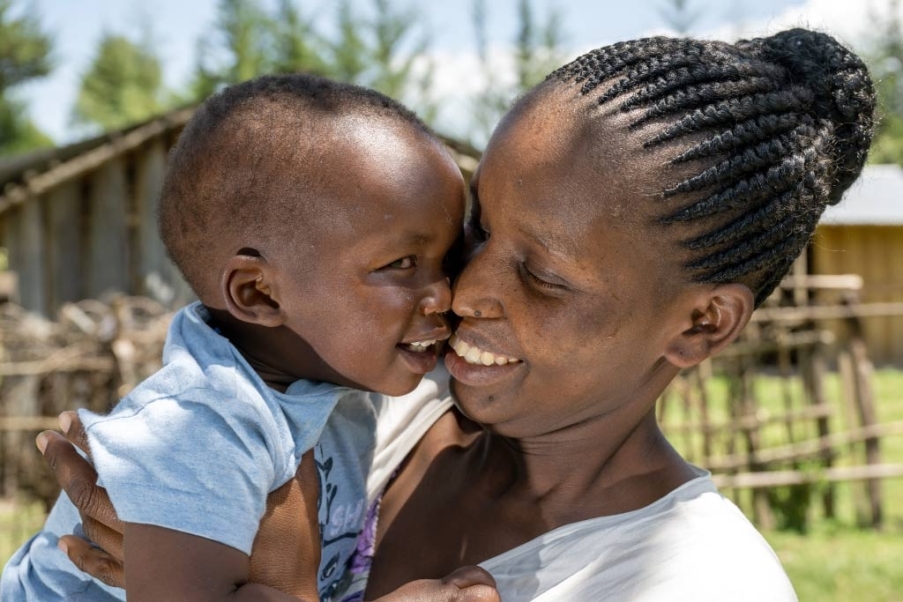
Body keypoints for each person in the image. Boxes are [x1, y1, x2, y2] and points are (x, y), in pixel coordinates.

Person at [34, 28, 875, 601]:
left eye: (543, 275)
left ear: (701, 325)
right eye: (479, 227)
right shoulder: (362, 401)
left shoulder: (690, 580)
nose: (464, 291)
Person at [1, 74, 501, 602]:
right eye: (401, 264)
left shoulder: (331, 378)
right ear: (259, 294)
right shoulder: (197, 432)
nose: (446, 294)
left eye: (449, 260)